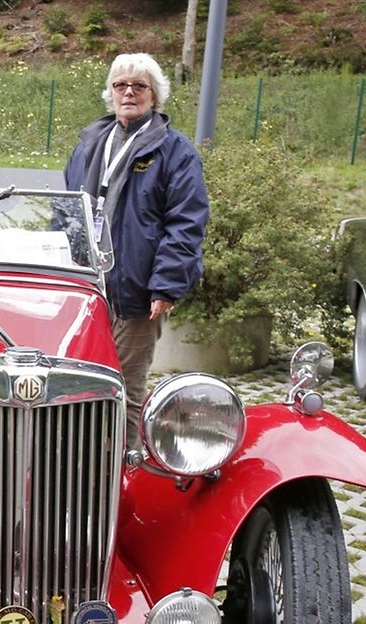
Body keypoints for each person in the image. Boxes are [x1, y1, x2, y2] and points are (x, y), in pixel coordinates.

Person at [64, 53, 209, 449]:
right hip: (86, 289)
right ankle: (75, 468)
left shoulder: (174, 151)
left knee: (124, 391)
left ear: (154, 95)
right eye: (120, 85)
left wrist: (165, 286)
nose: (129, 92)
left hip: (137, 293)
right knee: (78, 385)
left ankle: (122, 474)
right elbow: (65, 213)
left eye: (139, 86)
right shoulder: (88, 144)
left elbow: (186, 223)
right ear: (110, 93)